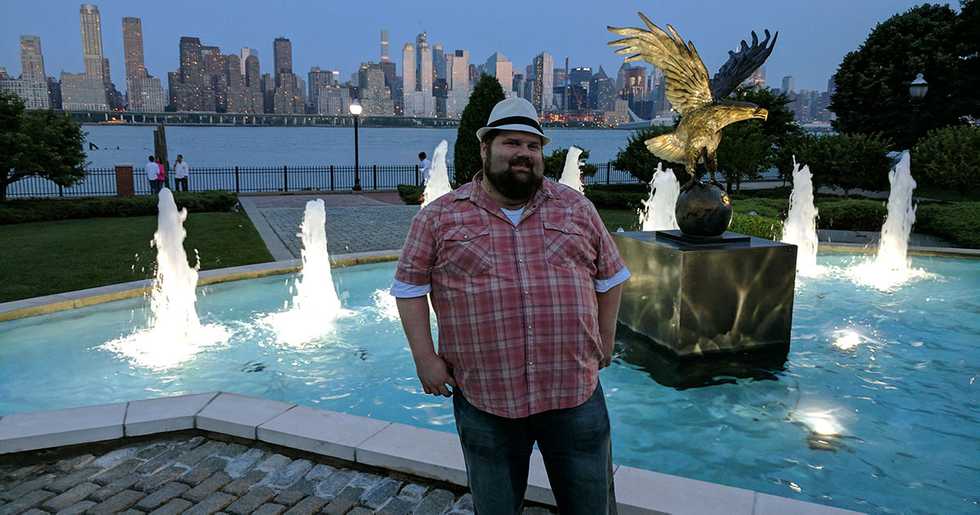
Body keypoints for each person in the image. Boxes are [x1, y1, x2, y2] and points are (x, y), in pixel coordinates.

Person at [391, 97, 630, 514]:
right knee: (497, 507)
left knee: (591, 505)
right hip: (487, 397)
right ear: (485, 149)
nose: (523, 154)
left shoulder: (576, 208)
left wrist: (605, 339)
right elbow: (409, 288)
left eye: (533, 146)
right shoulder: (439, 217)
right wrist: (424, 358)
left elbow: (611, 278)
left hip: (573, 390)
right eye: (511, 143)